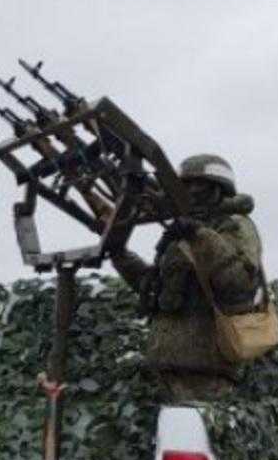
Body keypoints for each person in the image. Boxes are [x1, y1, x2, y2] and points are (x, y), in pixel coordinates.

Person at [111, 154, 265, 401]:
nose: (191, 191)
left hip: (206, 373)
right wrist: (120, 255)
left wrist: (200, 235)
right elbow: (154, 288)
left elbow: (239, 283)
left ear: (217, 189)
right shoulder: (182, 230)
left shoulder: (235, 225)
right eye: (185, 185)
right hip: (165, 366)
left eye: (199, 185)